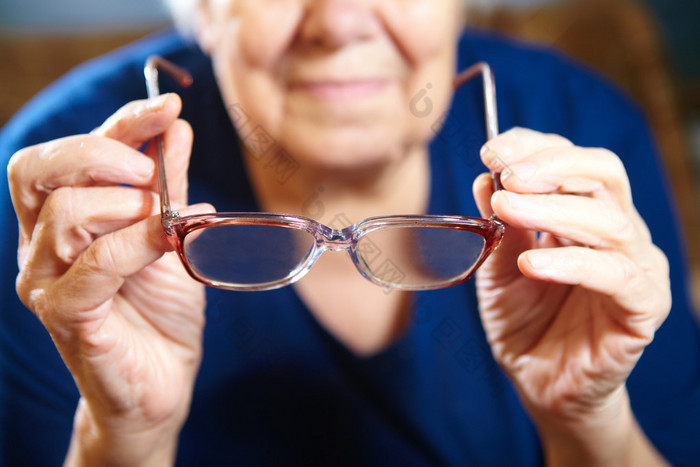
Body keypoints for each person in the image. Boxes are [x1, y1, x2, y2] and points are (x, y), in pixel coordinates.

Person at [1, 0, 699, 465]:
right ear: (203, 11)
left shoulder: (586, 129)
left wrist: (587, 423)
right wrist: (123, 437)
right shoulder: (64, 202)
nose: (337, 22)